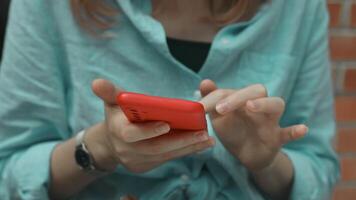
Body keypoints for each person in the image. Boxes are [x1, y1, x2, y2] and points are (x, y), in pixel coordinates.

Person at [0, 0, 340, 199]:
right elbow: (9, 171)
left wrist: (266, 162)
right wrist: (100, 147)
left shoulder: (298, 9)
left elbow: (318, 167)